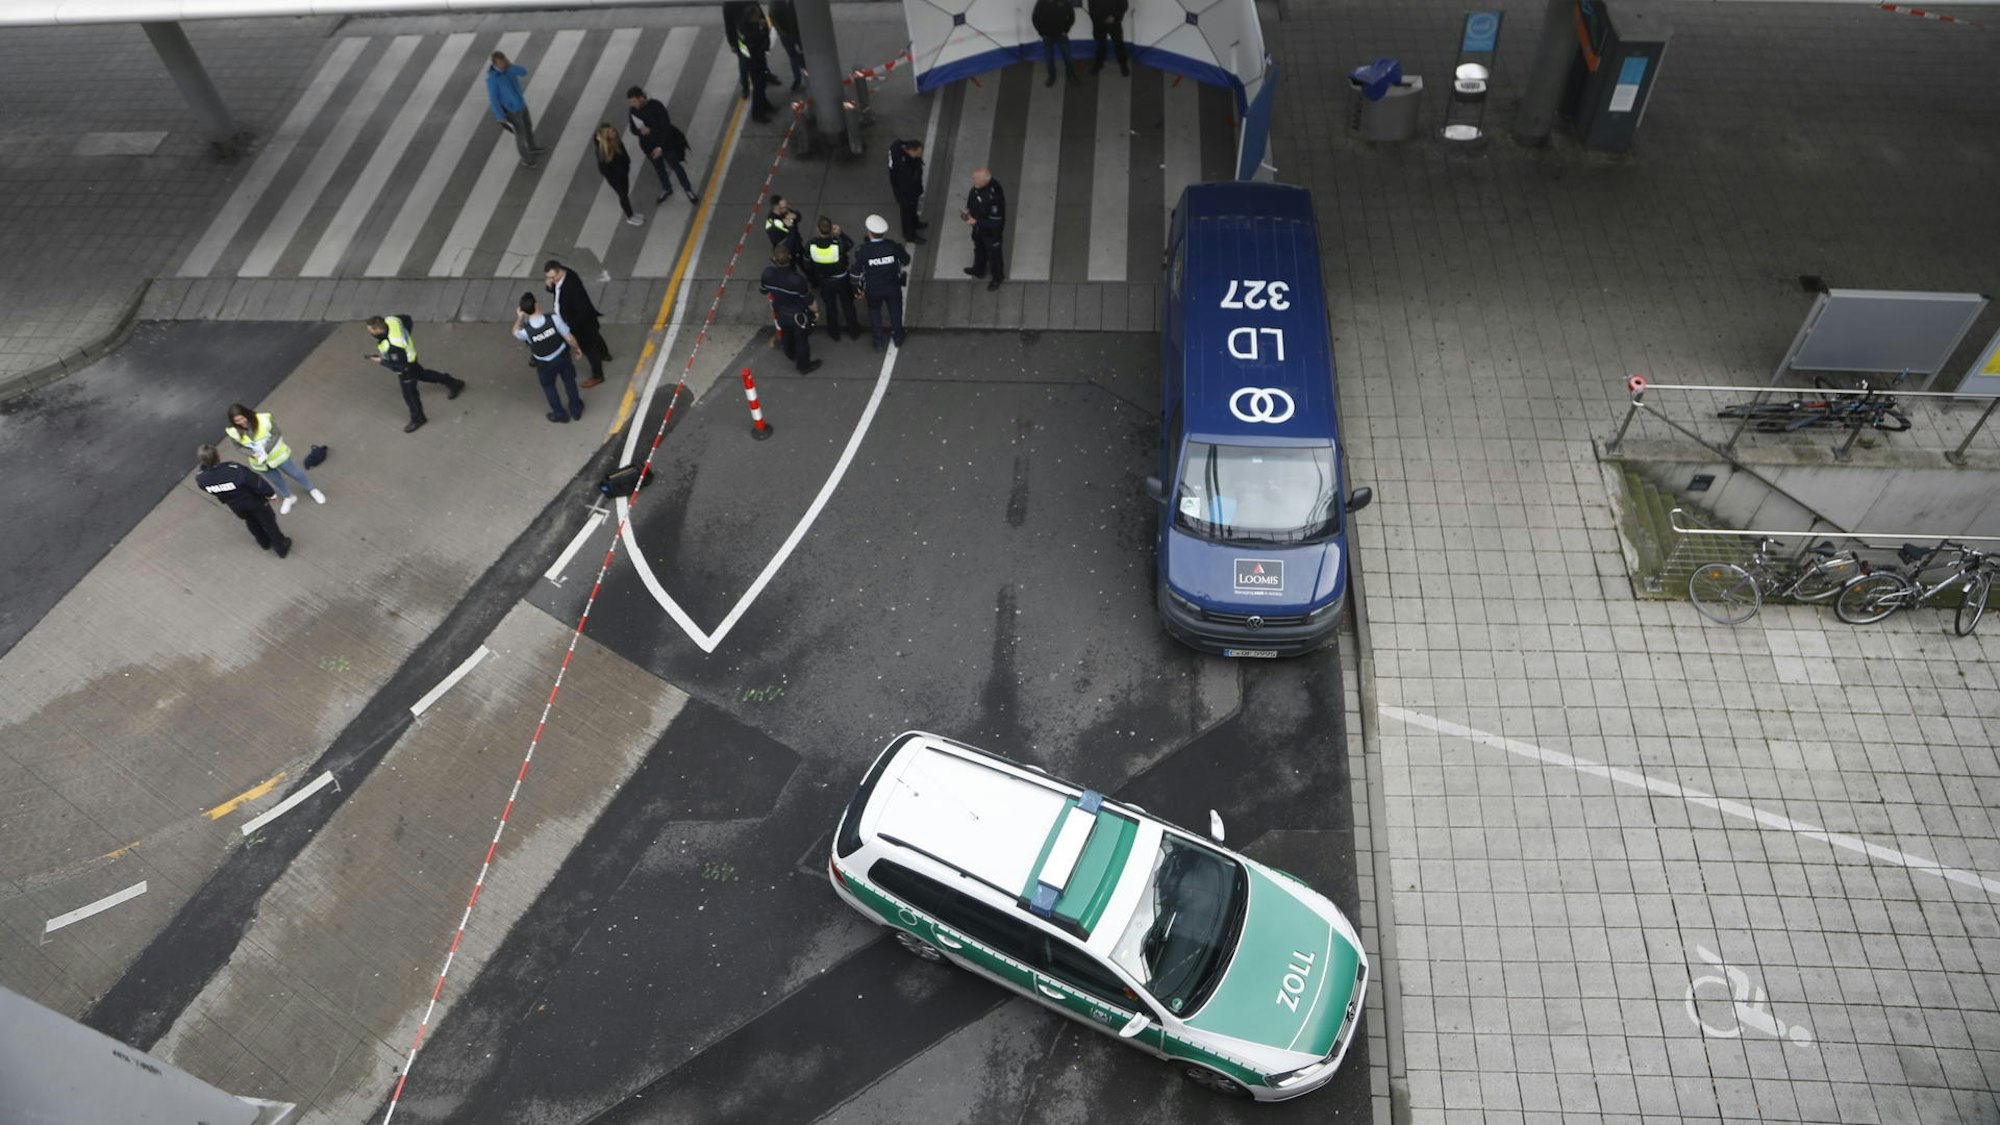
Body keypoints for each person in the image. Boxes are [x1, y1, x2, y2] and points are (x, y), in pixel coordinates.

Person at [366, 313, 465, 433]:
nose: (369, 332)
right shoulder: (392, 320)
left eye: (370, 330)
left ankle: (418, 418)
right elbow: (407, 319)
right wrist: (406, 340)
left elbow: (399, 367)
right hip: (411, 357)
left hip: (406, 369)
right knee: (424, 375)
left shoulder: (393, 346)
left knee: (410, 394)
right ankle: (453, 383)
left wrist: (381, 360)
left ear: (378, 329)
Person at [223, 403, 324, 515]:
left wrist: (265, 451)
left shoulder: (263, 419)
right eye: (237, 421)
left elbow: (276, 433)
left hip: (277, 455)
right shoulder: (233, 431)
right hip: (260, 462)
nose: (241, 422)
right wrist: (252, 454)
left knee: (295, 473)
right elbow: (238, 447)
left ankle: (312, 489)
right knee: (276, 480)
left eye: (242, 418)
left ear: (247, 414)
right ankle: (288, 497)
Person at [196, 445, 291, 557]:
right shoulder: (234, 470)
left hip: (235, 505)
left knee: (251, 522)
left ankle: (264, 542)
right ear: (218, 455)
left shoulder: (201, 478)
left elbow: (208, 489)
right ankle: (281, 547)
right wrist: (270, 494)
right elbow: (257, 483)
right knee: (269, 523)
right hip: (254, 502)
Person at [514, 293, 588, 423]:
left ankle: (560, 414)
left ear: (523, 311)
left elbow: (515, 332)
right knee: (569, 381)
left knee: (549, 387)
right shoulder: (553, 319)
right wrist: (577, 349)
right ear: (536, 304)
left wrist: (520, 319)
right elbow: (569, 338)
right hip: (562, 356)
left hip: (544, 363)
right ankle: (576, 410)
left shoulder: (525, 332)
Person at [544, 259, 612, 388]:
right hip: (584, 320)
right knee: (595, 336)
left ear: (559, 272)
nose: (550, 280)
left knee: (589, 349)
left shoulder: (571, 286)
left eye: (552, 277)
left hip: (580, 323)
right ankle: (605, 354)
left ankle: (598, 376)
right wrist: (550, 286)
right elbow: (558, 293)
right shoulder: (564, 275)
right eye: (548, 278)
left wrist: (569, 327)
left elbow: (581, 310)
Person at [625, 87, 699, 204]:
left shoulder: (656, 106)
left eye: (634, 101)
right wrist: (641, 131)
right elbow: (633, 129)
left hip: (665, 144)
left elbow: (665, 128)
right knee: (659, 168)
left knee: (676, 166)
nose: (633, 104)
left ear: (641, 97)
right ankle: (666, 188)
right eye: (631, 102)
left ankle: (688, 189)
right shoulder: (633, 111)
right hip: (648, 146)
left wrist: (659, 146)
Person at [758, 246, 821, 374]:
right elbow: (809, 301)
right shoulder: (797, 280)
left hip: (781, 312)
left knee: (786, 335)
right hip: (798, 316)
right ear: (790, 258)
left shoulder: (767, 274)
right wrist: (816, 312)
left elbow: (764, 292)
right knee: (801, 341)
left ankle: (790, 354)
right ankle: (803, 366)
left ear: (774, 259)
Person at [857, 214, 910, 351]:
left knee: (874, 313)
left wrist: (858, 289)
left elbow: (857, 271)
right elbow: (906, 260)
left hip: (873, 289)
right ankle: (898, 338)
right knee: (895, 312)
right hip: (892, 286)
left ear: (869, 232)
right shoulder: (893, 247)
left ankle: (878, 342)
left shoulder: (864, 250)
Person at [804, 216, 861, 341]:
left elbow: (807, 264)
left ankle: (834, 333)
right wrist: (840, 233)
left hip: (825, 281)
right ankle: (854, 331)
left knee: (830, 308)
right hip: (842, 280)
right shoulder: (838, 244)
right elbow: (850, 244)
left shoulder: (811, 245)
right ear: (831, 229)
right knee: (848, 306)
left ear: (817, 229)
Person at [486, 51, 544, 167]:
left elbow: (523, 72)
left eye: (503, 61)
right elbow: (494, 100)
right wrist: (500, 117)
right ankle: (526, 159)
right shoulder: (492, 80)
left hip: (521, 104)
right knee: (520, 136)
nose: (502, 64)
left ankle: (532, 147)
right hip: (512, 111)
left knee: (528, 126)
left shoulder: (509, 70)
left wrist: (511, 66)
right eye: (500, 63)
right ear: (495, 64)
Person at [962, 167, 1007, 291]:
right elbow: (973, 197)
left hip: (991, 233)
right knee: (979, 248)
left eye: (974, 179)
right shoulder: (978, 187)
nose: (972, 180)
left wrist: (976, 221)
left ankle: (997, 277)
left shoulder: (993, 197)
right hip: (979, 228)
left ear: (984, 182)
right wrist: (968, 209)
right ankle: (979, 269)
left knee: (994, 256)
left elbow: (996, 221)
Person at [592, 123, 645, 228]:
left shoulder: (615, 142)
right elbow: (603, 169)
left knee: (624, 193)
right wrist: (617, 176)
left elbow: (623, 154)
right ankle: (630, 216)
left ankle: (632, 214)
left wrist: (626, 165)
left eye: (613, 130)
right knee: (623, 195)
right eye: (611, 131)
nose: (614, 132)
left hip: (622, 174)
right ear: (606, 135)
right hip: (616, 179)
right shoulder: (603, 152)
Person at [737, 6, 779, 123]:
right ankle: (757, 113)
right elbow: (757, 40)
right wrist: (761, 28)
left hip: (753, 59)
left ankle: (765, 105)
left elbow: (764, 38)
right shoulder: (750, 29)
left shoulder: (742, 26)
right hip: (754, 61)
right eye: (757, 16)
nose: (759, 18)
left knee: (761, 85)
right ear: (752, 17)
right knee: (759, 87)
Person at [1031, 0, 1080, 87]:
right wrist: (1042, 33)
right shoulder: (1041, 3)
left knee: (1067, 57)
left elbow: (1071, 16)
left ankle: (1071, 75)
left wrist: (1066, 30)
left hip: (1061, 35)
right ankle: (1052, 77)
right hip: (1047, 37)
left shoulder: (1064, 2)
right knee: (1049, 59)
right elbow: (1035, 18)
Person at [888, 139, 927, 244]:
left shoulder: (898, 146)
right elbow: (910, 181)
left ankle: (916, 222)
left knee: (913, 209)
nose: (919, 156)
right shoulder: (903, 166)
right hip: (905, 192)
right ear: (911, 151)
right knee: (907, 212)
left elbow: (898, 142)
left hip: (907, 190)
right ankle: (910, 234)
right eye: (918, 153)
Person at [767, 0, 808, 90]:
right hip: (786, 33)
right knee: (793, 56)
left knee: (802, 55)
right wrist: (780, 31)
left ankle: (806, 76)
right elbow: (772, 16)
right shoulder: (775, 2)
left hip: (797, 32)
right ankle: (798, 79)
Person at [722, 0, 759, 98]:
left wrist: (732, 43)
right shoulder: (729, 4)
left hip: (745, 38)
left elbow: (728, 25)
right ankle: (745, 85)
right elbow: (729, 25)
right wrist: (732, 43)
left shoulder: (729, 4)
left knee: (746, 61)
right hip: (743, 40)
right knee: (745, 62)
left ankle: (746, 85)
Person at [1087, 0, 1130, 75]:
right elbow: (1091, 6)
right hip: (1099, 22)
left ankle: (1123, 65)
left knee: (1118, 44)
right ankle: (1099, 64)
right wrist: (1096, 19)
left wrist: (1114, 16)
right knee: (1100, 45)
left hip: (1114, 22)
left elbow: (1124, 5)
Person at [764, 194, 804, 261]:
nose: (788, 207)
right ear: (777, 208)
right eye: (785, 206)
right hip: (787, 252)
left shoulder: (785, 211)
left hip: (797, 244)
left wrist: (796, 215)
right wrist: (791, 227)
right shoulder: (772, 226)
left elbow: (798, 217)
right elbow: (786, 243)